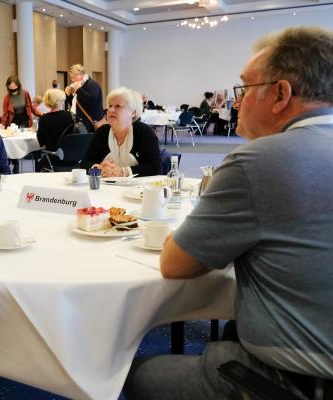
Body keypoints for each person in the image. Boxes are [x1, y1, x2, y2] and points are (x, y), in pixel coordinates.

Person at [125, 26, 333, 400]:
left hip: (297, 379)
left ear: (280, 94)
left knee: (138, 373)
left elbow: (176, 264)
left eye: (244, 89)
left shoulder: (261, 161)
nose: (236, 103)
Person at [80, 87, 161, 177]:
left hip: (136, 189)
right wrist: (98, 168)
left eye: (118, 106)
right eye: (110, 106)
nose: (110, 110)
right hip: (106, 189)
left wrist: (123, 172)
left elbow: (156, 168)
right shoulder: (102, 132)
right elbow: (84, 164)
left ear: (133, 113)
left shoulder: (144, 132)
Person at [65, 64, 103, 133]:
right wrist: (68, 95)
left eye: (74, 76)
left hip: (89, 122)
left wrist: (79, 89)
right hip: (80, 120)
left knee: (89, 141)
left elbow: (91, 101)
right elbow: (74, 104)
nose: (72, 79)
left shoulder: (92, 84)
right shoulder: (79, 85)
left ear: (81, 73)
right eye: (71, 77)